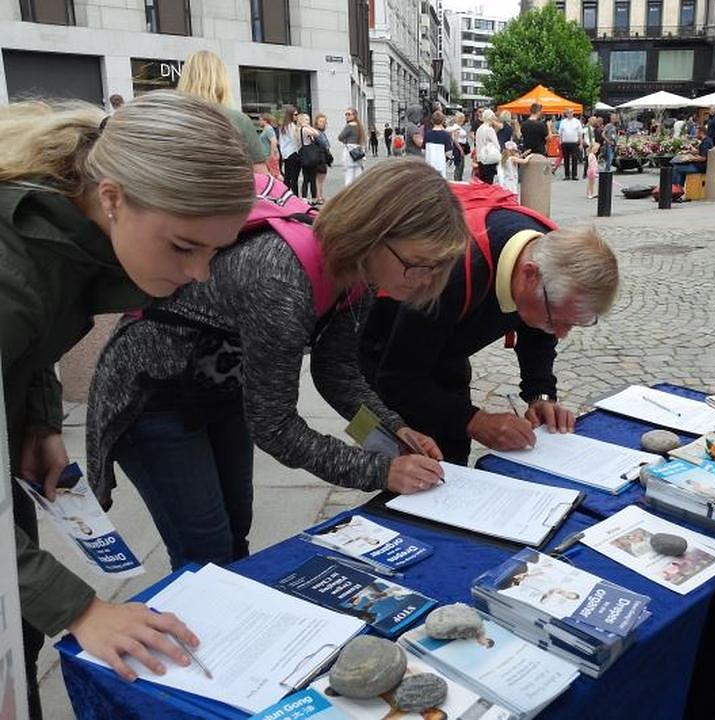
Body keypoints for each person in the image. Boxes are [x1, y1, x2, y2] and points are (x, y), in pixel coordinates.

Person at [0, 90, 255, 717]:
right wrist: (81, 608)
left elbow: (33, 345)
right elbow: (26, 308)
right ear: (112, 197)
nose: (200, 274)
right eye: (183, 247)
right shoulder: (13, 273)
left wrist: (36, 420)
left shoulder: (76, 226)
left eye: (215, 251)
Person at [87, 160, 468, 572]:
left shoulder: (360, 272)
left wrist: (391, 429)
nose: (425, 281)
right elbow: (275, 427)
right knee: (205, 547)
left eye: (436, 268)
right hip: (152, 392)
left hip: (222, 389)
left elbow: (335, 371)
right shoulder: (283, 280)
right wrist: (380, 470)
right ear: (374, 231)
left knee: (236, 526)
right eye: (419, 263)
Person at [360, 183, 619, 465]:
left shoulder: (548, 253)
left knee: (453, 455)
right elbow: (395, 377)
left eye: (574, 324)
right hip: (374, 355)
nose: (561, 333)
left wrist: (541, 393)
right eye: (556, 319)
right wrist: (474, 420)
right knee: (398, 466)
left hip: (445, 350)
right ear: (529, 274)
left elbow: (538, 333)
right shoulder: (447, 275)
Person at [176, 50, 267, 174]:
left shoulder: (172, 119)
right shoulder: (238, 121)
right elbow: (260, 174)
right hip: (229, 191)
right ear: (221, 79)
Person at [297, 113, 321, 204]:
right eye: (306, 119)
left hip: (303, 156)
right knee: (311, 178)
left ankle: (305, 197)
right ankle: (312, 197)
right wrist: (309, 126)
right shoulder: (304, 130)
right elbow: (317, 133)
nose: (308, 121)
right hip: (309, 156)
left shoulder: (298, 130)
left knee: (306, 178)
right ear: (302, 120)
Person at [339, 106, 366, 186]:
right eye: (346, 114)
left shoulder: (349, 126)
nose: (347, 116)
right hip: (358, 150)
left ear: (354, 115)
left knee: (349, 175)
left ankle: (348, 194)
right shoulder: (359, 126)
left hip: (349, 151)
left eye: (349, 114)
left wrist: (346, 141)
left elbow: (340, 137)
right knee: (358, 174)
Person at [278, 105, 301, 194]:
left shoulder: (283, 127)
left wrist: (283, 154)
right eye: (295, 114)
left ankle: (285, 195)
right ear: (290, 115)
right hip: (293, 153)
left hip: (287, 154)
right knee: (294, 178)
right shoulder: (291, 126)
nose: (297, 116)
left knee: (288, 177)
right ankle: (295, 195)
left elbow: (281, 142)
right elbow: (296, 140)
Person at [474, 109, 501, 185]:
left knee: (482, 181)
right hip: (489, 158)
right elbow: (497, 145)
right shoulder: (489, 130)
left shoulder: (479, 129)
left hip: (480, 158)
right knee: (489, 182)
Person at [557, 108, 582, 181]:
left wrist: (580, 143)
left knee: (574, 159)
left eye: (571, 112)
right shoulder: (563, 122)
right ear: (566, 114)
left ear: (573, 113)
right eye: (568, 112)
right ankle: (567, 175)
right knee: (566, 159)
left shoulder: (577, 121)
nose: (569, 114)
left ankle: (574, 175)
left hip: (574, 143)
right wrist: (560, 142)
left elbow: (580, 133)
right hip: (565, 143)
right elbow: (560, 133)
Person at [314, 112, 332, 205]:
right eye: (320, 121)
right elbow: (324, 144)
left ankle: (320, 195)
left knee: (321, 178)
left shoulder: (322, 133)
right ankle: (318, 196)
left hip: (323, 157)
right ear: (316, 122)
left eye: (324, 122)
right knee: (319, 178)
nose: (322, 123)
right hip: (319, 158)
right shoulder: (316, 132)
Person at [447, 112, 468, 181]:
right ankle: (457, 180)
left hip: (460, 146)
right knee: (459, 166)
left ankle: (458, 179)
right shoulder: (456, 128)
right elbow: (455, 139)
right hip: (459, 147)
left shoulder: (456, 127)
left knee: (460, 165)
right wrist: (460, 149)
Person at [259, 114, 280, 178]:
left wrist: (272, 154)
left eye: (260, 120)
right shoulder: (266, 129)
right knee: (271, 173)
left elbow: (273, 141)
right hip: (267, 155)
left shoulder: (268, 129)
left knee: (275, 174)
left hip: (269, 155)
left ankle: (282, 187)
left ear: (265, 121)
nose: (259, 122)